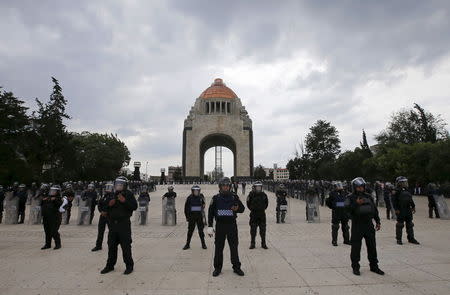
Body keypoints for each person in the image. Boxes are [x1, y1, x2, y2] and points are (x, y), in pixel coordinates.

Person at [345, 177, 384, 276]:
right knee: (356, 248)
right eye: (358, 187)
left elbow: (374, 209)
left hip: (369, 225)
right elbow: (346, 210)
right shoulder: (350, 197)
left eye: (362, 187)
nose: (360, 189)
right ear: (354, 187)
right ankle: (355, 267)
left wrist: (378, 221)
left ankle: (374, 266)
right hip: (357, 225)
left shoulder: (369, 196)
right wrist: (356, 204)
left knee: (372, 246)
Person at [207, 177, 245, 277]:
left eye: (227, 185)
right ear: (220, 187)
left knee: (234, 247)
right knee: (219, 248)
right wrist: (210, 227)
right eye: (223, 185)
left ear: (230, 186)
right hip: (220, 226)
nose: (225, 187)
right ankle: (217, 268)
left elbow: (242, 209)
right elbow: (210, 213)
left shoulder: (234, 197)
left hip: (231, 225)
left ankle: (236, 267)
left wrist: (237, 208)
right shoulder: (215, 198)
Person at [101, 177, 137, 275]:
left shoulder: (128, 194)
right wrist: (109, 205)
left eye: (121, 184)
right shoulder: (112, 194)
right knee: (111, 246)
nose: (118, 186)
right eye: (117, 184)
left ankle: (129, 266)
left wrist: (124, 201)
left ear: (125, 185)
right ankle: (110, 266)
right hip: (112, 224)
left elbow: (134, 206)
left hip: (124, 224)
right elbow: (103, 206)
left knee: (126, 247)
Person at [392, 176, 420, 245]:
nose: (405, 183)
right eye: (403, 182)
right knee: (400, 225)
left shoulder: (407, 190)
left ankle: (411, 238)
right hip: (400, 210)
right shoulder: (396, 191)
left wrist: (413, 206)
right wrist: (396, 209)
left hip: (408, 209)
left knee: (410, 224)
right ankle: (399, 239)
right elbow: (394, 201)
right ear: (400, 183)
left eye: (405, 182)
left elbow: (410, 199)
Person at [326, 181, 350, 246]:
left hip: (344, 212)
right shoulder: (332, 193)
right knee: (335, 227)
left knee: (345, 226)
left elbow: (348, 202)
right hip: (336, 212)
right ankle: (334, 241)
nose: (339, 187)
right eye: (338, 186)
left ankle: (346, 240)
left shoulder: (345, 192)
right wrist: (333, 207)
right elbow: (328, 202)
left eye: (340, 186)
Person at [183, 185, 207, 250]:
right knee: (190, 231)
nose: (196, 192)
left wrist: (203, 205)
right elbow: (186, 208)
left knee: (201, 231)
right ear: (192, 191)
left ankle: (203, 244)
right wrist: (187, 217)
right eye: (195, 191)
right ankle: (187, 244)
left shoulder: (201, 197)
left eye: (197, 191)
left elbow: (203, 205)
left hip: (199, 217)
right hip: (192, 217)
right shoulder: (189, 198)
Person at [92, 182, 114, 251]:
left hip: (110, 216)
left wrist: (107, 212)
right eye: (107, 187)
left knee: (111, 231)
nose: (107, 189)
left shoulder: (113, 196)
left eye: (109, 188)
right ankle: (98, 245)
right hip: (102, 215)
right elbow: (99, 204)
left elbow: (113, 206)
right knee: (100, 231)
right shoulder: (103, 196)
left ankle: (111, 245)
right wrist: (101, 211)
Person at [246, 181, 269, 249]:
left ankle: (263, 243)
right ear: (254, 187)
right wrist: (253, 209)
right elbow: (248, 203)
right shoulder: (251, 195)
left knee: (263, 230)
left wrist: (262, 208)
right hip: (254, 214)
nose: (259, 188)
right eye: (257, 187)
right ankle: (252, 243)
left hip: (262, 214)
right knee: (253, 230)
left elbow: (266, 204)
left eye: (260, 187)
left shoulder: (264, 195)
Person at [41, 185, 63, 250]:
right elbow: (42, 205)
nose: (52, 192)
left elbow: (59, 204)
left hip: (54, 217)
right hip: (46, 217)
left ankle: (58, 244)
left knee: (54, 231)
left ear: (58, 192)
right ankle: (47, 244)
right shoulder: (47, 197)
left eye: (54, 191)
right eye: (52, 190)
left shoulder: (59, 198)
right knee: (47, 231)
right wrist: (43, 200)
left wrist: (55, 200)